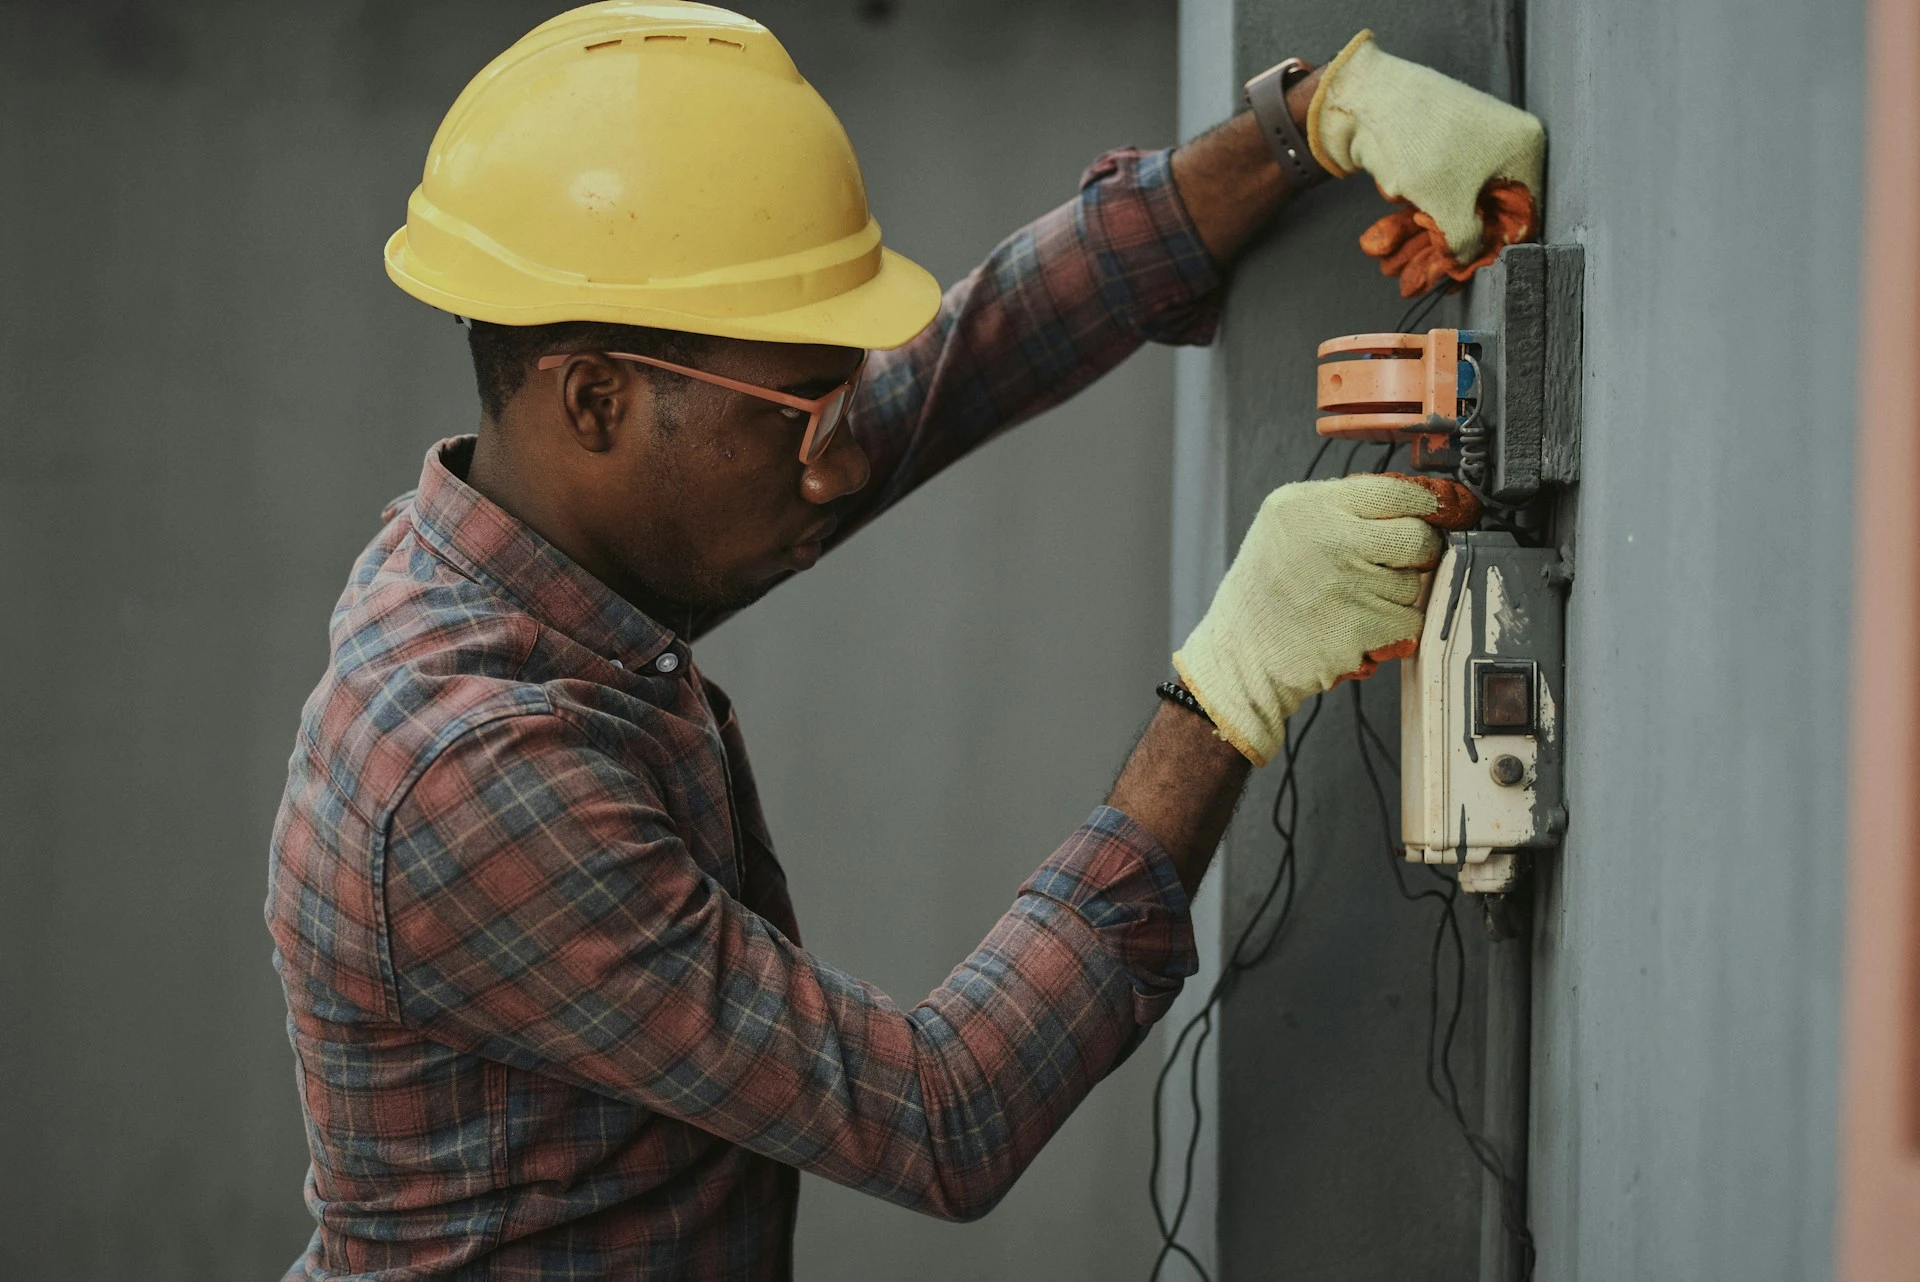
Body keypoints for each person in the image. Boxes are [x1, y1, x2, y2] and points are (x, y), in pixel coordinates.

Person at [264, 4, 1544, 1278]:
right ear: (597, 397)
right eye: (800, 417)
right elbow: (940, 1115)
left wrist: (1305, 125)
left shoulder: (527, 550)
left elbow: (966, 358)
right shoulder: (474, 774)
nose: (833, 467)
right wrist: (1225, 690)